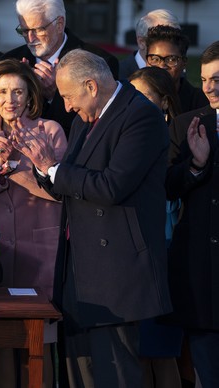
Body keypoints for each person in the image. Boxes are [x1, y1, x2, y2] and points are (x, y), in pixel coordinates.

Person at [15, 49, 171, 387]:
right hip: (78, 271)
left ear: (92, 86)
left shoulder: (141, 117)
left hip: (116, 273)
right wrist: (43, 169)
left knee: (114, 374)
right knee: (79, 374)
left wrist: (54, 168)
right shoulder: (82, 120)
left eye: (70, 96)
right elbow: (65, 185)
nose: (67, 106)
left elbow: (112, 186)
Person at [0, 58, 66, 388]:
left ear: (30, 95)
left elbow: (62, 193)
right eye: (2, 91)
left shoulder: (50, 131)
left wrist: (17, 167)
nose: (9, 100)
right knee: (3, 343)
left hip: (41, 257)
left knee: (39, 345)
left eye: (17, 91)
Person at [165, 40, 219, 388]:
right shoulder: (188, 123)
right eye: (204, 78)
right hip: (203, 272)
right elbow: (167, 185)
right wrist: (197, 165)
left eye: (217, 78)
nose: (209, 87)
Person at [128, 66, 183, 388]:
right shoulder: (127, 137)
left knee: (162, 353)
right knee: (139, 354)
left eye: (144, 97)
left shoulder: (181, 137)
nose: (136, 104)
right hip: (135, 257)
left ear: (164, 102)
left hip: (167, 255)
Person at [3, 0, 119, 138]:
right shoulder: (9, 61)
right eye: (24, 30)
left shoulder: (99, 62)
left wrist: (55, 95)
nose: (30, 38)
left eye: (38, 29)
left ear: (59, 24)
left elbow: (98, 127)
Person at [145, 25, 208, 114]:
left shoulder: (200, 101)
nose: (162, 66)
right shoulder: (135, 97)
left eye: (171, 59)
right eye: (155, 59)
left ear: (184, 63)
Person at [118, 9, 180, 80]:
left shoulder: (177, 71)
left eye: (175, 38)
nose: (169, 45)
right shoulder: (118, 74)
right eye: (160, 38)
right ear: (141, 42)